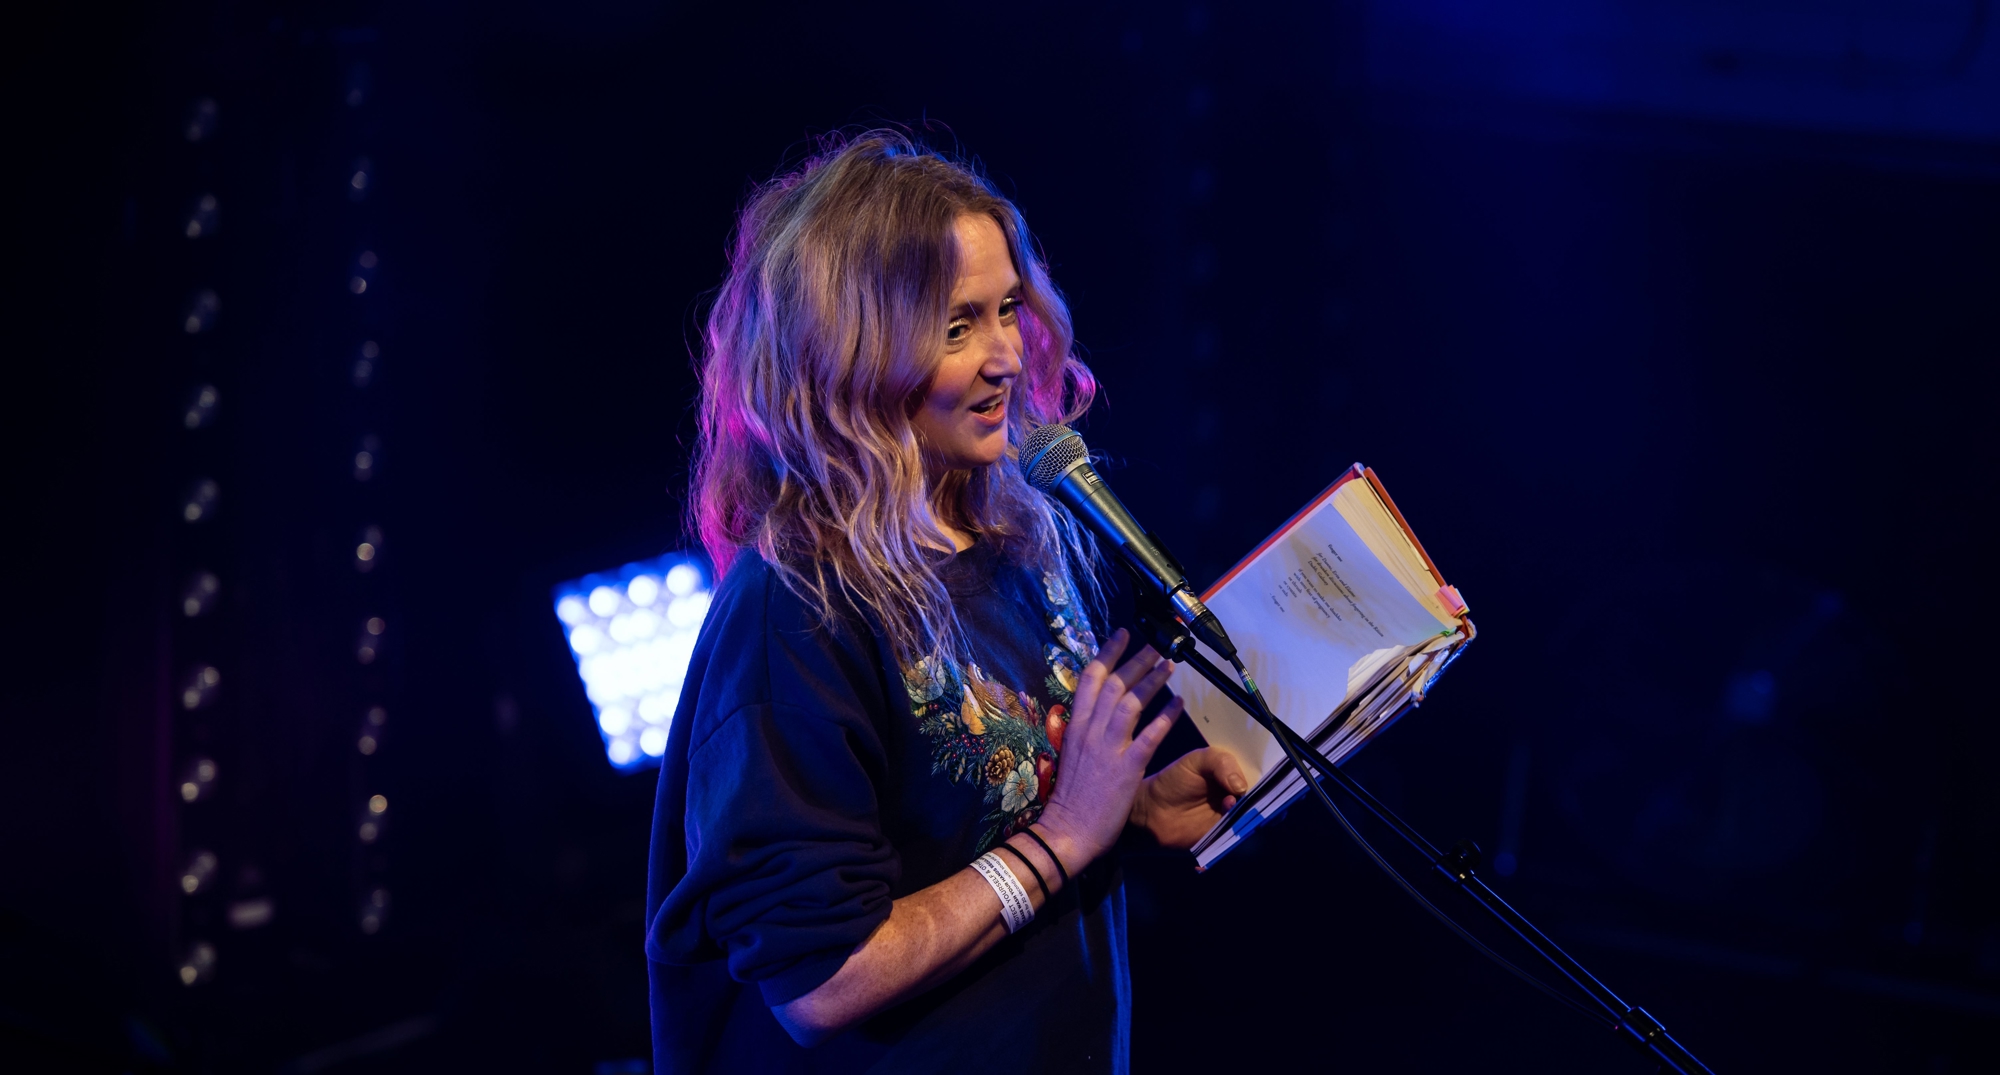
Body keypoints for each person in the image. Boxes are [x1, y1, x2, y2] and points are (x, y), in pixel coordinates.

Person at [645, 131, 1247, 1074]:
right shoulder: (798, 608)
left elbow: (969, 817)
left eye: (1008, 308)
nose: (1007, 354)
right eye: (958, 325)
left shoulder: (1014, 536)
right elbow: (819, 981)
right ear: (852, 355)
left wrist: (1127, 810)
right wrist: (1065, 838)